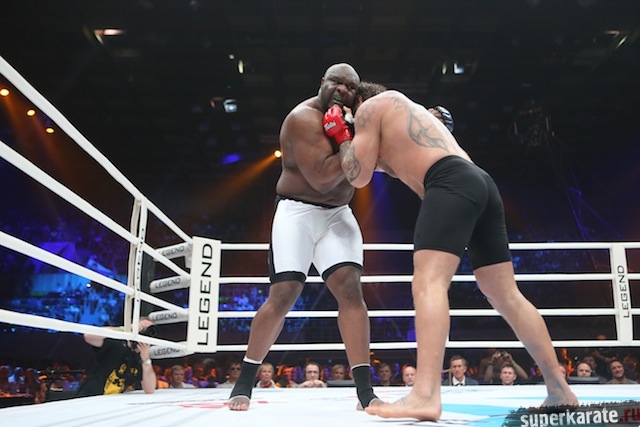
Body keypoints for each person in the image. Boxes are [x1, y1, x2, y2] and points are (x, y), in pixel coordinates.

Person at [322, 82, 578, 421]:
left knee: (427, 282)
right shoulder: (401, 113)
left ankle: (425, 395)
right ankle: (560, 390)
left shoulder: (370, 107)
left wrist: (343, 137)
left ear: (358, 103)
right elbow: (375, 166)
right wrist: (353, 142)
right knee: (504, 293)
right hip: (480, 182)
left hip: (449, 181)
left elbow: (357, 178)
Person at [227, 63, 378, 411]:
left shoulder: (356, 119)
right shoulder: (303, 119)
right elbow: (322, 179)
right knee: (283, 295)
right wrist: (351, 141)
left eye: (349, 86)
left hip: (337, 213)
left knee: (351, 292)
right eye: (335, 82)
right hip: (297, 212)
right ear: (322, 82)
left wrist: (356, 136)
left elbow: (368, 169)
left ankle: (365, 392)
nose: (341, 90)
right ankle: (244, 381)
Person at [76, 318, 156, 397]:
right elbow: (88, 336)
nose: (144, 332)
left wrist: (146, 360)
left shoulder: (140, 359)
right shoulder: (115, 342)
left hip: (111, 401)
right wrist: (126, 329)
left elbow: (149, 389)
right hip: (89, 397)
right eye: (143, 328)